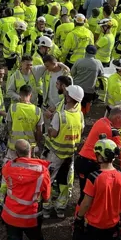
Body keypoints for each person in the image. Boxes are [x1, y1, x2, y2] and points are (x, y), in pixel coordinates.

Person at [43, 84, 85, 219]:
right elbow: (81, 131)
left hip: (55, 153)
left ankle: (46, 207)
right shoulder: (80, 115)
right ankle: (60, 207)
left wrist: (49, 130)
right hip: (70, 153)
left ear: (68, 97)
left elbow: (53, 134)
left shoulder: (60, 116)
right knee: (66, 181)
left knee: (48, 179)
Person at [75, 105, 121, 199]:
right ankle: (82, 213)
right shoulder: (113, 131)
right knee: (92, 196)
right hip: (92, 165)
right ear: (118, 118)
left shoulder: (101, 121)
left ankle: (80, 212)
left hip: (82, 161)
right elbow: (119, 153)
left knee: (84, 194)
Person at [70, 45, 104, 113]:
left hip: (77, 88)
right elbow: (102, 76)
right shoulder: (98, 63)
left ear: (85, 52)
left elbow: (72, 73)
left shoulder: (78, 61)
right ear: (95, 54)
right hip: (89, 90)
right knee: (86, 105)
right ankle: (83, 116)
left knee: (74, 106)